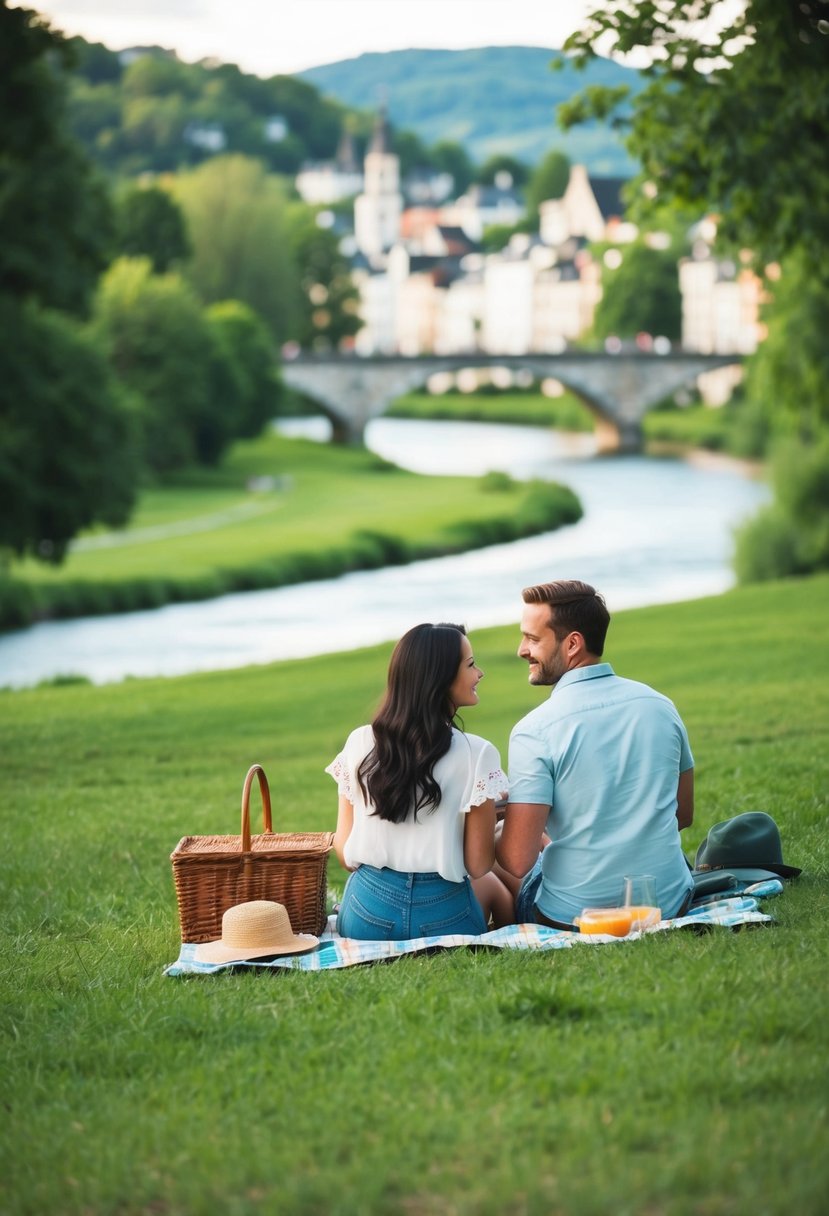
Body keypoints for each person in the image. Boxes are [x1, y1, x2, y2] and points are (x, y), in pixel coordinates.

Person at [496, 580, 694, 929]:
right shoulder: (660, 706)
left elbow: (516, 860)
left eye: (532, 638)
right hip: (668, 904)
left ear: (572, 644)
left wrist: (496, 818)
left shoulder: (534, 730)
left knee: (501, 842)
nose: (521, 650)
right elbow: (683, 814)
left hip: (573, 918)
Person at [326, 622, 513, 940]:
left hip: (366, 914)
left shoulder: (358, 742)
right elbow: (479, 864)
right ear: (439, 679)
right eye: (470, 665)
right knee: (497, 891)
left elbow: (344, 854)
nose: (479, 673)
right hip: (445, 915)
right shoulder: (477, 753)